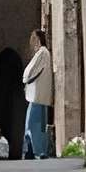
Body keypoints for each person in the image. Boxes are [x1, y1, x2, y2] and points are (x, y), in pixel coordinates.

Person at [22, 28, 57, 161]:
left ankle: (38, 150)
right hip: (36, 95)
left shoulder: (42, 53)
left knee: (34, 124)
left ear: (38, 39)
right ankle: (32, 150)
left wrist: (25, 79)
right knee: (33, 123)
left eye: (34, 38)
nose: (32, 41)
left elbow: (32, 70)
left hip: (38, 96)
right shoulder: (42, 53)